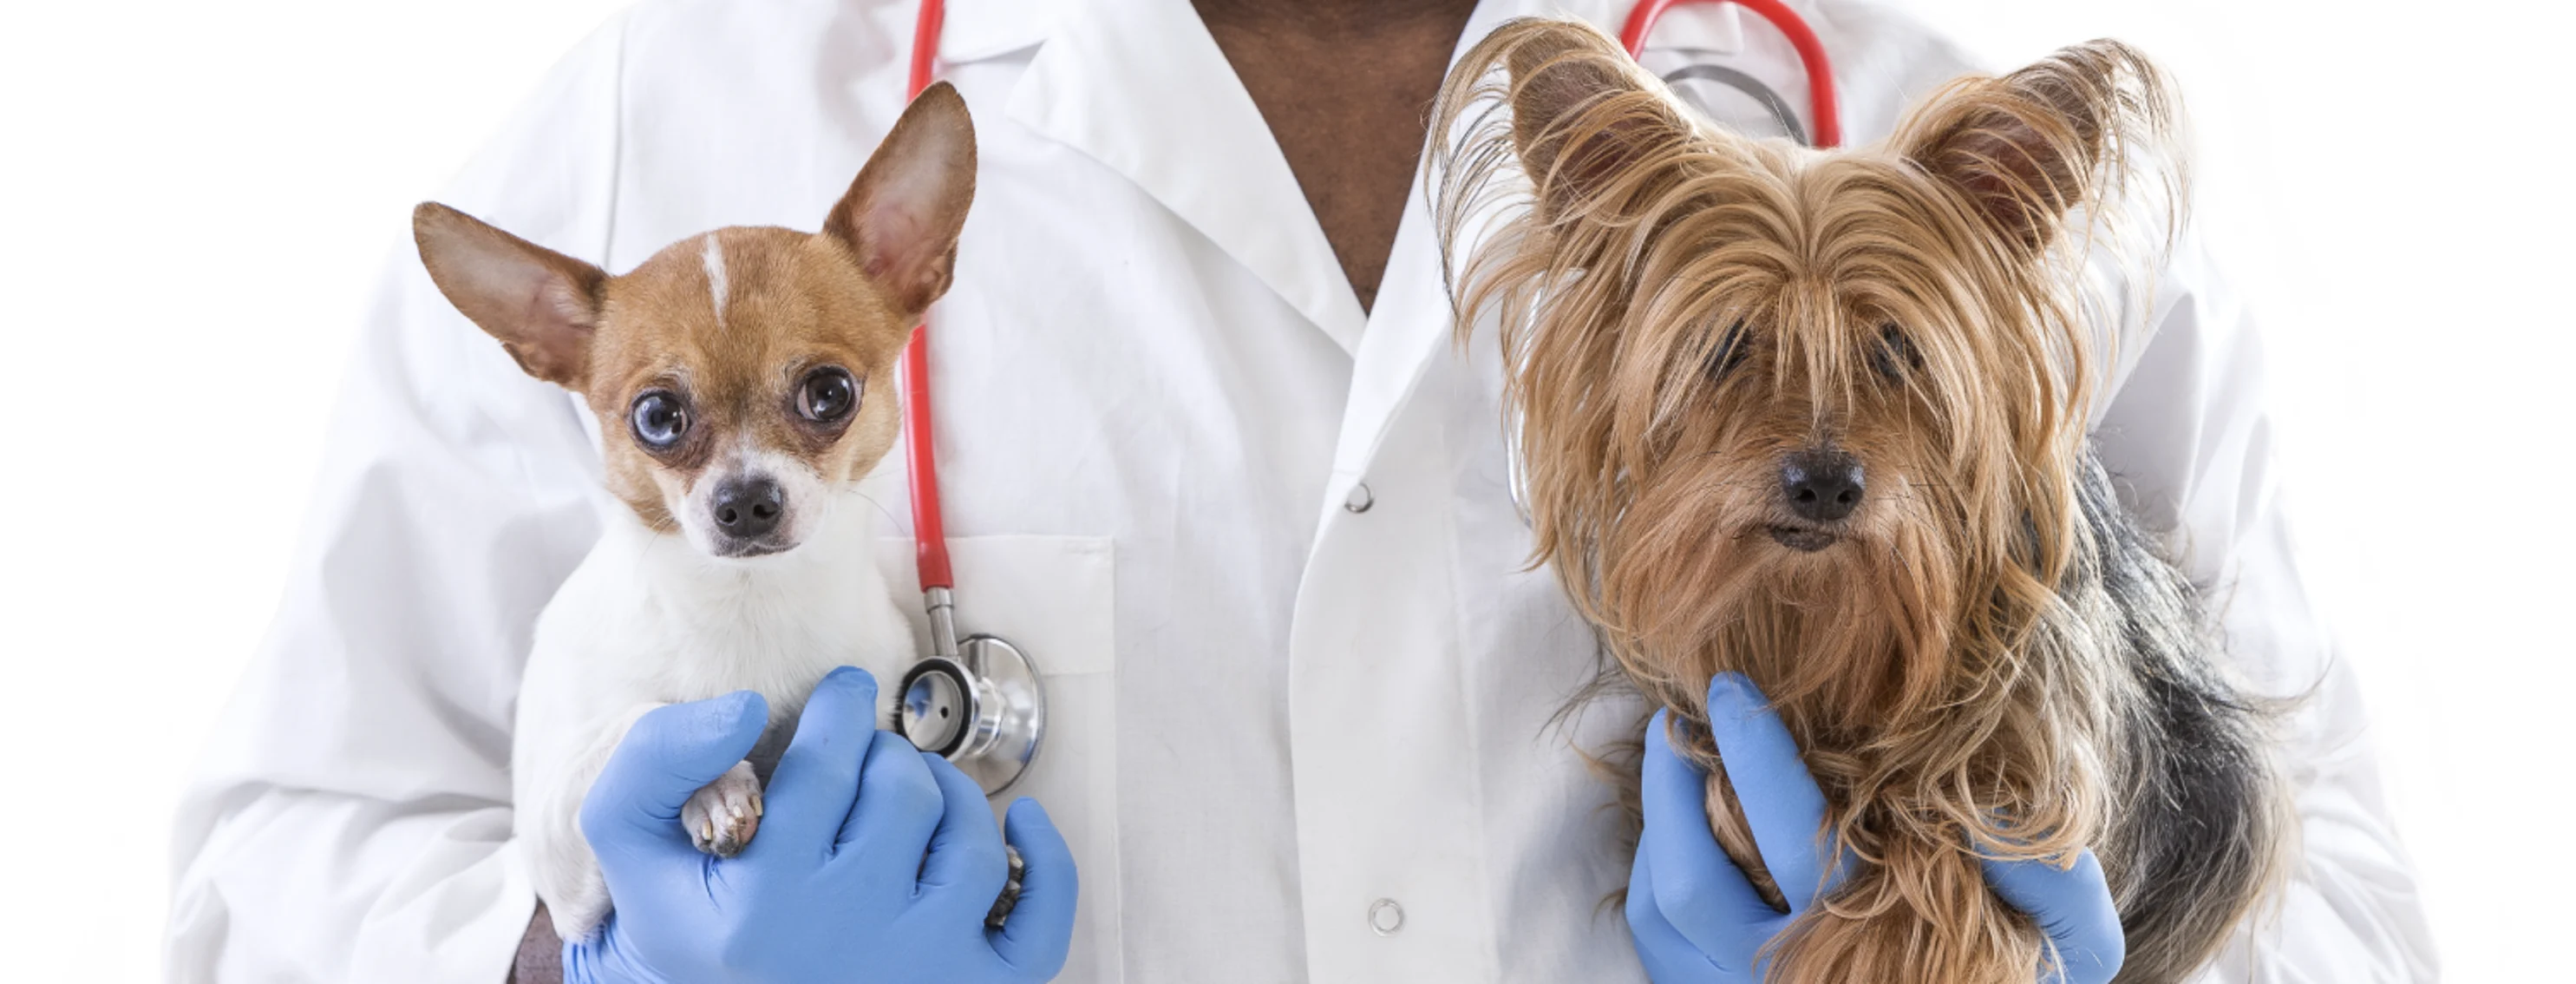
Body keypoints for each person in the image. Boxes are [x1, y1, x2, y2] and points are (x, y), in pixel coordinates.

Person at [165, 1, 2438, 981]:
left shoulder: (1947, 141)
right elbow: (280, 861)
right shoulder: (685, 123)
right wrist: (599, 967)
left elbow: (2339, 904)